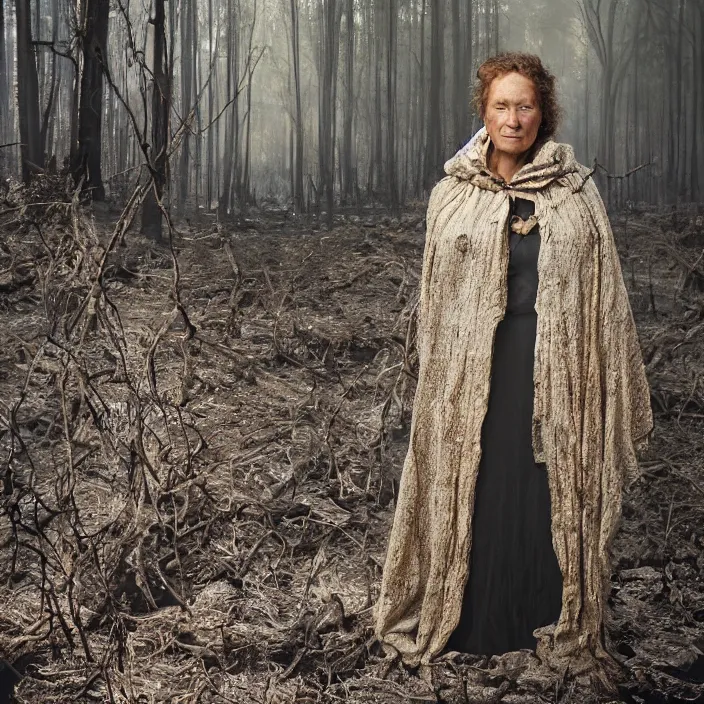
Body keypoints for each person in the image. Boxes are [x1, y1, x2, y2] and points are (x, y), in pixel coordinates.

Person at [373, 52, 653, 694]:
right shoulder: (453, 194)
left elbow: (604, 297)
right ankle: (470, 621)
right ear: (484, 111)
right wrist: (442, 373)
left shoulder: (575, 192)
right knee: (479, 484)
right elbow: (436, 297)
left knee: (545, 490)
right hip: (474, 376)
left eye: (525, 105)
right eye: (502, 104)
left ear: (542, 112)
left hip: (558, 372)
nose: (514, 117)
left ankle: (546, 616)